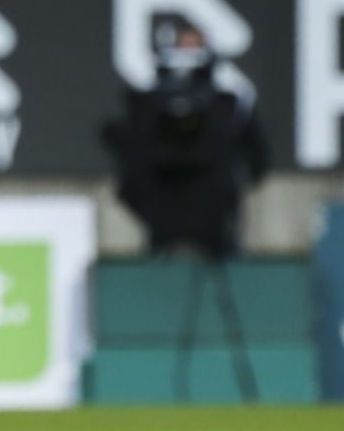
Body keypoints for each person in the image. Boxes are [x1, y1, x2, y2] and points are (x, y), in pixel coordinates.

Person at [101, 23, 268, 259]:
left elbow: (255, 156)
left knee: (222, 253)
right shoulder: (144, 100)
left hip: (213, 205)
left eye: (195, 45)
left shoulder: (228, 100)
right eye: (183, 45)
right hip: (162, 202)